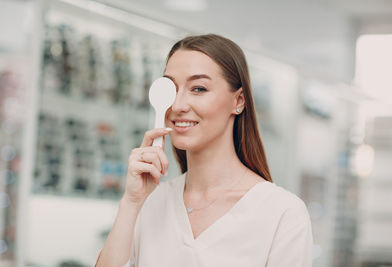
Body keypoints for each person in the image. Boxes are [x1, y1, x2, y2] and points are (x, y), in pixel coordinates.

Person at [95, 34, 312, 267]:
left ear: (238, 101)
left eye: (198, 89)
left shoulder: (282, 213)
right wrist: (131, 203)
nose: (178, 106)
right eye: (171, 89)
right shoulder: (149, 202)